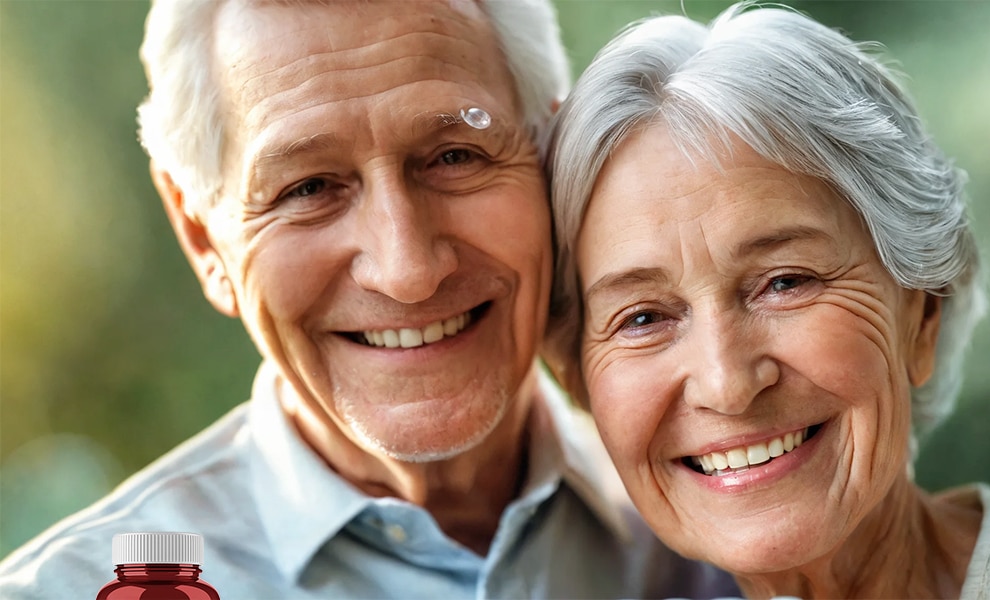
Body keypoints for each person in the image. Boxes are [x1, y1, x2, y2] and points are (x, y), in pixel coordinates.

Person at [0, 1, 738, 598]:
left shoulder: (722, 526)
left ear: (549, 158)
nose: (407, 269)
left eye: (454, 156)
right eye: (309, 189)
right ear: (202, 238)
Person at [544, 4, 990, 598]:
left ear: (922, 312)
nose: (728, 383)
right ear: (579, 383)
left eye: (785, 281)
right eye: (644, 318)